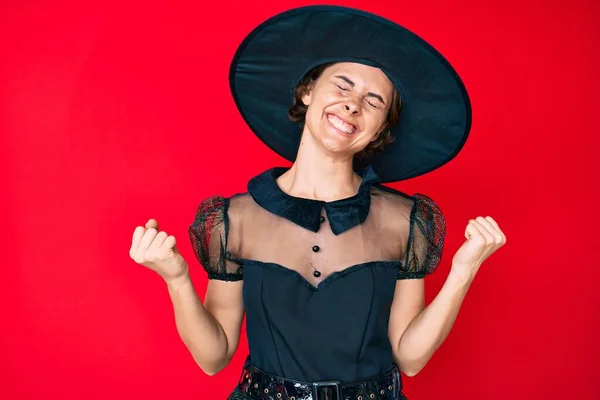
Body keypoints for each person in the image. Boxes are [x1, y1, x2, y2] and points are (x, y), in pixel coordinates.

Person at [129, 6, 506, 400]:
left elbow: (410, 358)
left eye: (374, 101)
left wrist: (464, 270)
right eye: (342, 85)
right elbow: (214, 357)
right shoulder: (234, 219)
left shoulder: (405, 221)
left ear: (380, 130)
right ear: (307, 92)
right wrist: (176, 278)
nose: (353, 104)